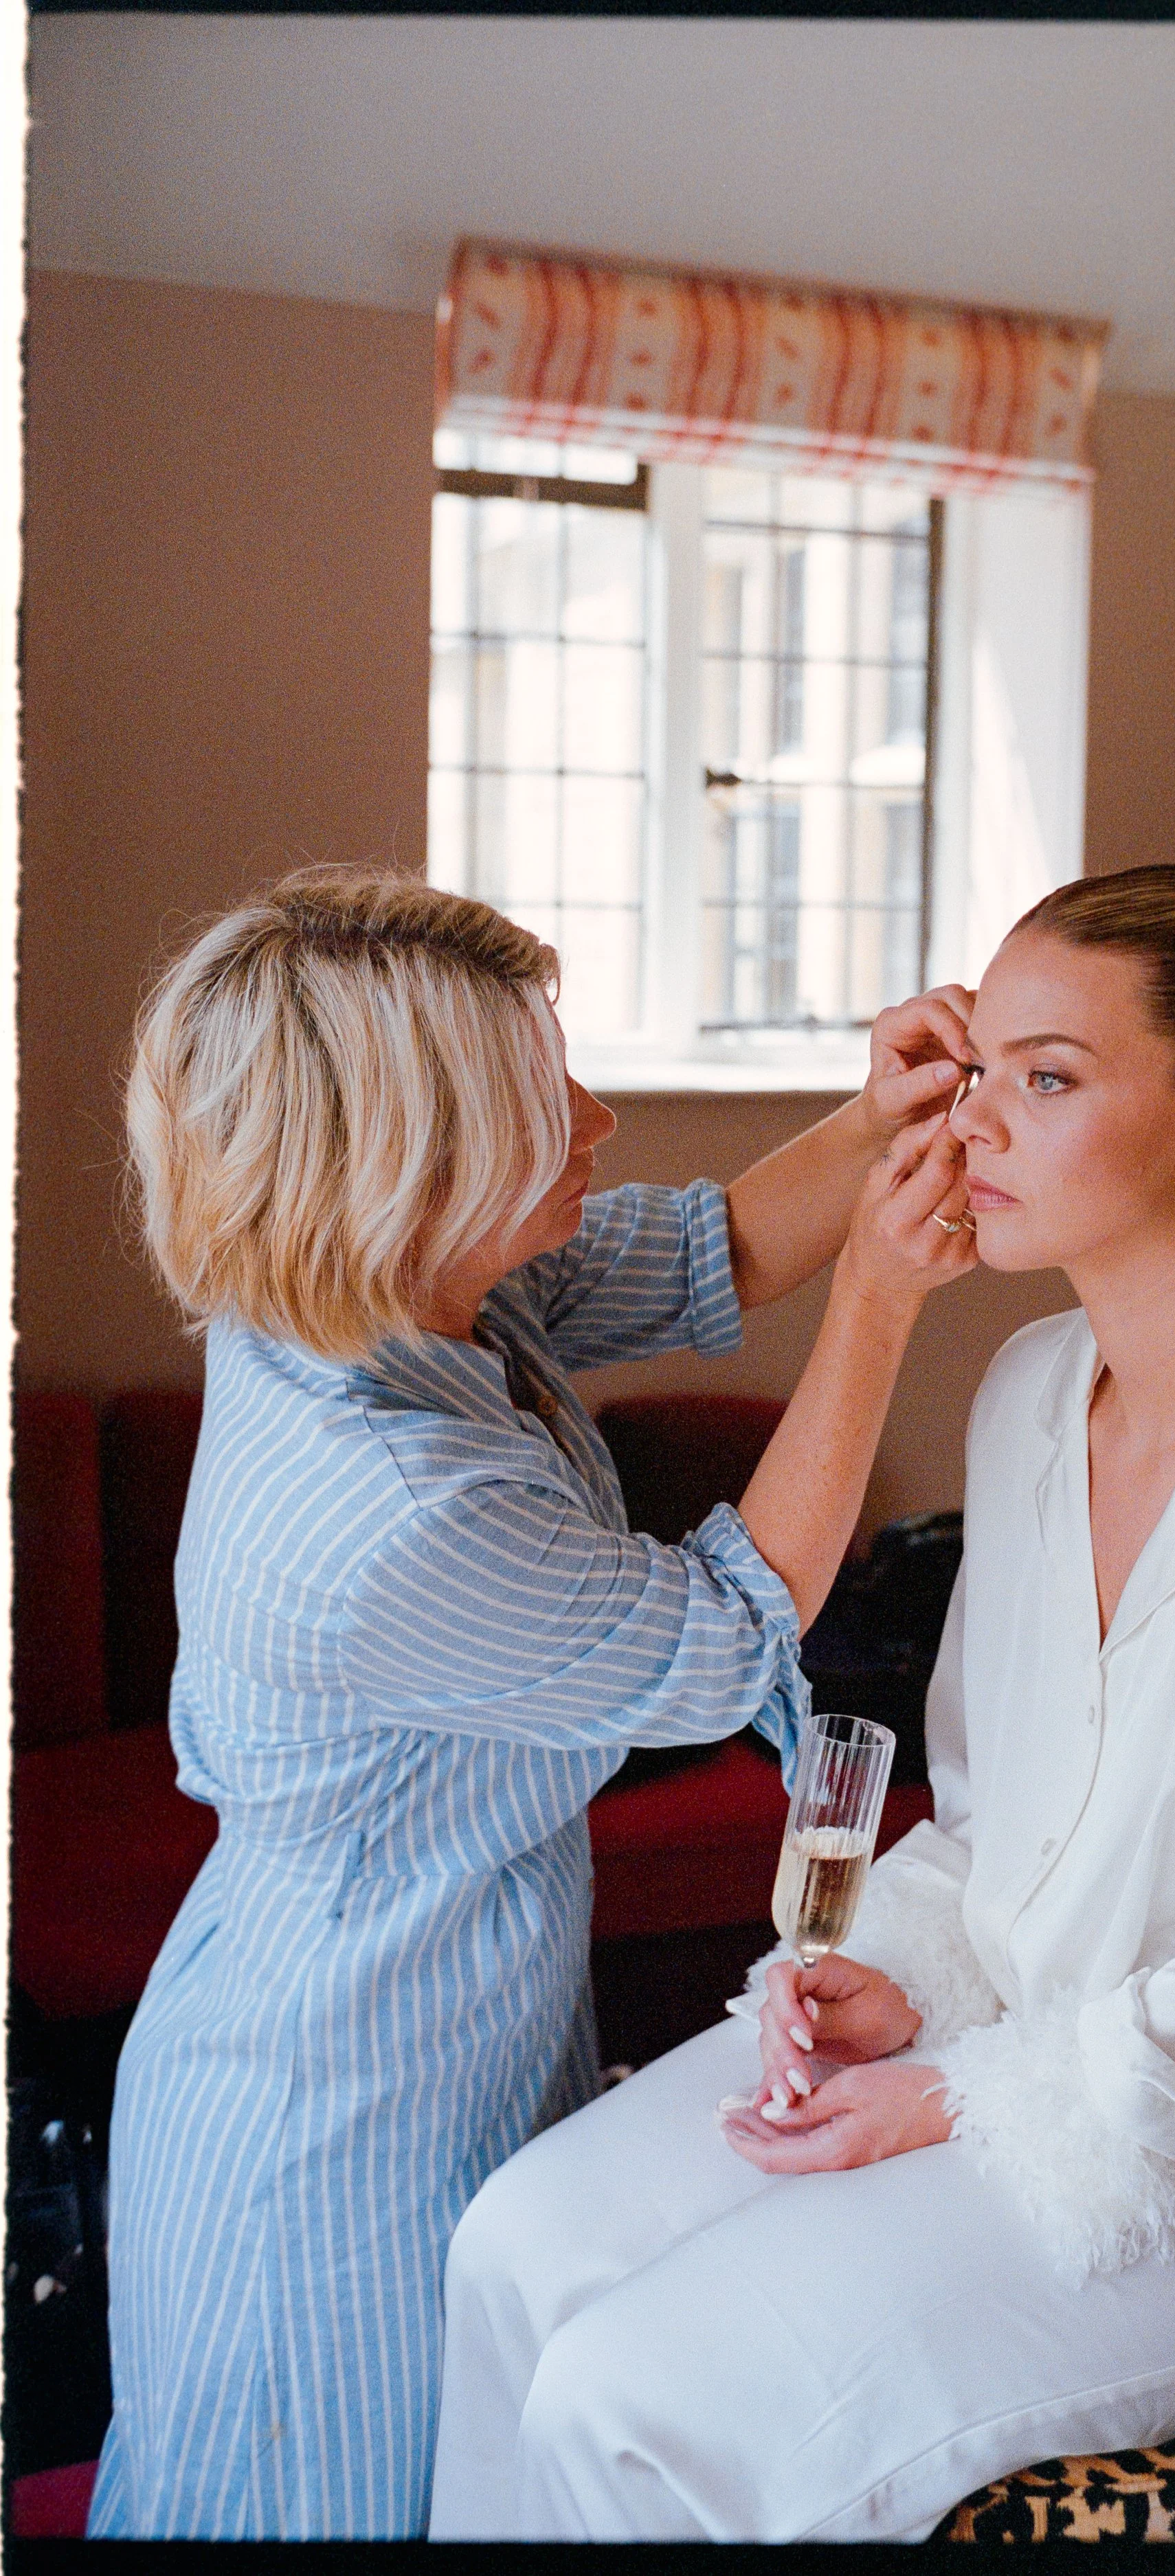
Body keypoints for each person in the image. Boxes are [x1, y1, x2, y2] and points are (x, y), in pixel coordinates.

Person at [429, 864, 1175, 2543]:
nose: (967, 1126)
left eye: (1049, 1078)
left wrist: (946, 2096)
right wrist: (891, 1980)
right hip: (1017, 2044)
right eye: (978, 1061)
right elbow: (991, 1814)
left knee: (632, 2400)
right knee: (512, 2245)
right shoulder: (1027, 1399)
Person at [88, 867, 978, 2540]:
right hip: (333, 2114)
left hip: (436, 2002)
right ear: (408, 1163)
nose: (597, 1112)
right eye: (537, 1095)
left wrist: (872, 1128)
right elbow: (725, 1640)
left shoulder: (398, 1299)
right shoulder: (383, 1506)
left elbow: (710, 1246)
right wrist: (879, 1297)